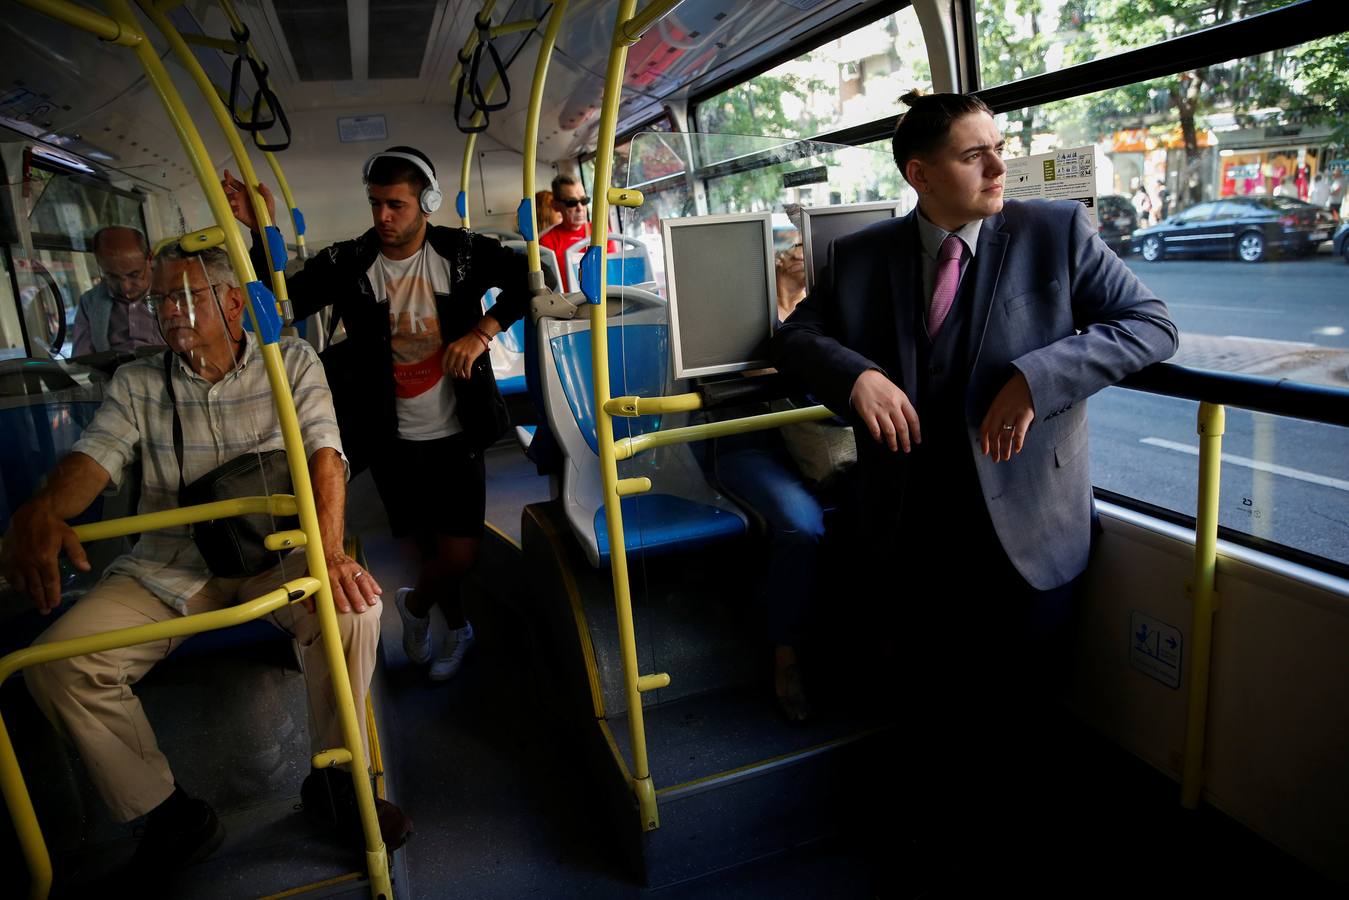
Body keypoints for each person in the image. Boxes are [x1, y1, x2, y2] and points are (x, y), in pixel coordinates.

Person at [772, 91, 1177, 873]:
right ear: (919, 174)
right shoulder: (860, 257)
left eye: (999, 146)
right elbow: (795, 337)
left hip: (1027, 527)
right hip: (909, 529)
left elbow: (1149, 324)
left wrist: (1037, 377)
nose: (999, 167)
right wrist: (854, 375)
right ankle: (935, 843)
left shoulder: (1054, 232)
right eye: (973, 155)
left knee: (1021, 713)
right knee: (927, 702)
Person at [0, 244, 408, 879]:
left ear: (234, 303)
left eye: (185, 296)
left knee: (355, 610)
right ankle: (167, 813)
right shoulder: (138, 382)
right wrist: (44, 509)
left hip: (276, 553)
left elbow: (325, 454)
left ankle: (336, 779)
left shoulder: (289, 361)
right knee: (57, 664)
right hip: (172, 564)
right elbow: (95, 457)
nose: (169, 311)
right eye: (161, 298)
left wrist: (328, 553)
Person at [224, 146, 530, 684]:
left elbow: (530, 278)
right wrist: (260, 230)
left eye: (396, 205)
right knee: (425, 543)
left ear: (426, 203)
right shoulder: (349, 261)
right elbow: (279, 301)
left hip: (458, 428)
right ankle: (457, 627)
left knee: (460, 551)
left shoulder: (461, 252)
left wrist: (483, 332)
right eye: (375, 204)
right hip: (389, 433)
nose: (383, 217)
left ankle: (413, 607)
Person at [71, 225, 161, 356]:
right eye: (112, 276)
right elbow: (82, 358)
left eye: (134, 275)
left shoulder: (173, 291)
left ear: (150, 258)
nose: (125, 288)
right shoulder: (89, 303)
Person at [538, 174, 592, 291]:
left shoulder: (601, 232)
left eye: (584, 201)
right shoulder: (546, 242)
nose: (580, 208)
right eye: (571, 202)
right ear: (555, 205)